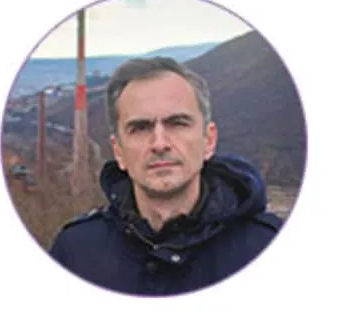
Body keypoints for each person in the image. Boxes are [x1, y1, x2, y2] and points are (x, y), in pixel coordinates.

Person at [49, 57, 283, 296]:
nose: (159, 144)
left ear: (209, 140)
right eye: (140, 128)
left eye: (177, 123)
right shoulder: (76, 252)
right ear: (118, 151)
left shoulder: (267, 247)